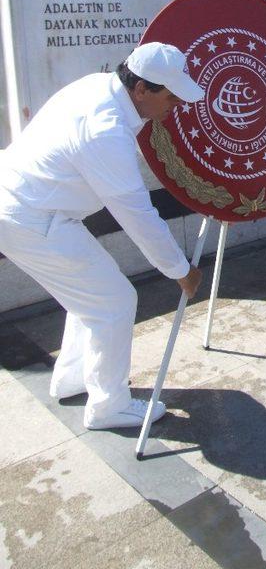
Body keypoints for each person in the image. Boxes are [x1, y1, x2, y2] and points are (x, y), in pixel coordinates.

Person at [0, 43, 203, 429]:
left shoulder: (99, 85)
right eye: (170, 96)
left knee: (91, 298)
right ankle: (108, 405)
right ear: (141, 89)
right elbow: (137, 213)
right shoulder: (105, 129)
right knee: (114, 301)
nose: (176, 104)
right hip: (32, 217)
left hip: (27, 208)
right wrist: (180, 269)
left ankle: (73, 380)